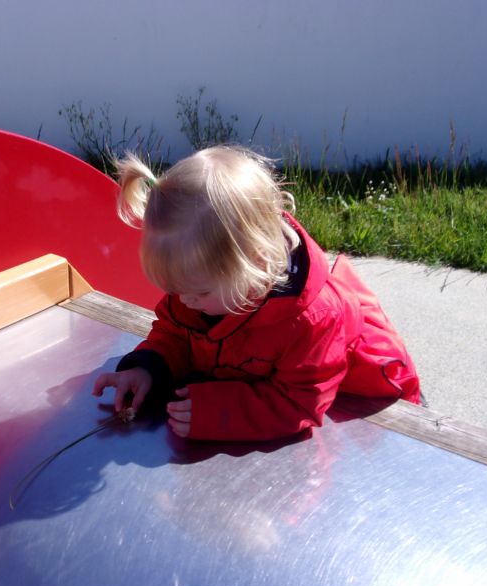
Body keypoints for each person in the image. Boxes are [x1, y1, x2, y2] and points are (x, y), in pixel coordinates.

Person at [92, 146, 420, 441]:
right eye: (175, 290)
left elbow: (299, 401)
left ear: (256, 264)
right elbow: (176, 334)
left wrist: (219, 413)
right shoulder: (203, 289)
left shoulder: (311, 320)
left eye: (199, 292)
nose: (186, 301)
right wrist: (148, 369)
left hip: (363, 400)